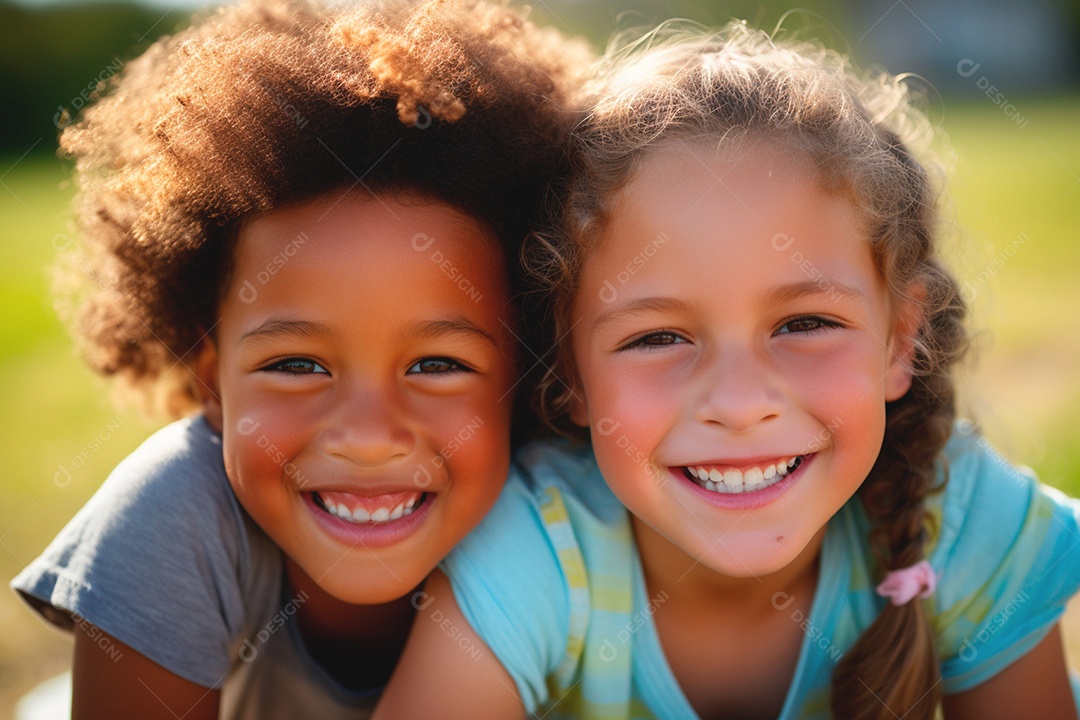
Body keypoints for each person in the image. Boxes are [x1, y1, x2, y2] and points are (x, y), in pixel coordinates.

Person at [373, 21, 1080, 720]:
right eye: (658, 338)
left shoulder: (964, 522)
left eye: (804, 325)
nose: (739, 404)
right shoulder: (538, 554)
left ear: (900, 340)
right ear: (569, 371)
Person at [10, 0, 590, 718]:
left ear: (527, 375)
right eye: (297, 366)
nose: (367, 436)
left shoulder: (573, 526)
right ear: (212, 381)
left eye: (436, 365)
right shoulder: (173, 522)